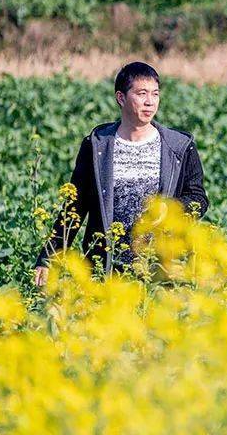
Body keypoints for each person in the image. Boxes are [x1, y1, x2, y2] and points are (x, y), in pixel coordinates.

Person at [34, 62, 209, 285]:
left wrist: (171, 209)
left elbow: (199, 198)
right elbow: (74, 206)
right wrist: (49, 257)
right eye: (141, 93)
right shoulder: (97, 146)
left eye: (155, 94)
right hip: (105, 271)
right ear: (121, 97)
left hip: (158, 271)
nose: (150, 101)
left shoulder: (179, 146)